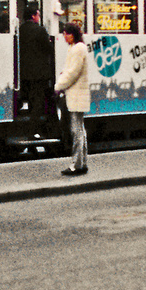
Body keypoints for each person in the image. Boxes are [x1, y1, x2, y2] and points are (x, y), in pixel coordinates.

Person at [55, 21, 91, 176]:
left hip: (76, 95)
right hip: (77, 94)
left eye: (66, 33)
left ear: (73, 34)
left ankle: (76, 165)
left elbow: (72, 72)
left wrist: (58, 86)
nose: (64, 36)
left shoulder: (77, 49)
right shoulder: (76, 48)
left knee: (76, 130)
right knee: (80, 130)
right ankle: (82, 162)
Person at [17, 7, 56, 136]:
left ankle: (28, 128)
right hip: (39, 74)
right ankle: (33, 130)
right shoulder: (40, 30)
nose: (39, 18)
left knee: (29, 100)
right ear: (34, 16)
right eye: (38, 15)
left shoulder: (20, 30)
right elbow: (49, 49)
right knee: (38, 103)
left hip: (24, 74)